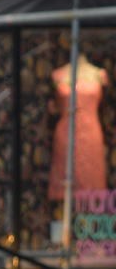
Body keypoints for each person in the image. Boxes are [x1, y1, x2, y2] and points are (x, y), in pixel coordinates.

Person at [49, 53, 108, 204]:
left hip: (91, 135)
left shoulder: (99, 74)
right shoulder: (58, 75)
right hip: (66, 134)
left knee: (91, 181)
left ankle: (89, 224)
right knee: (66, 181)